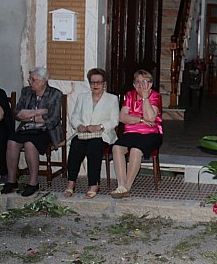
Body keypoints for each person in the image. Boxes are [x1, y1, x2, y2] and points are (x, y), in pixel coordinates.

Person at [2, 67, 62, 196]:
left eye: (33, 80)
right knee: (12, 142)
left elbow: (53, 119)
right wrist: (38, 113)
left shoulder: (55, 94)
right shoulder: (26, 92)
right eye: (30, 79)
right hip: (26, 128)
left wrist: (29, 116)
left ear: (43, 81)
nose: (30, 82)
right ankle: (11, 180)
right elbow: (17, 113)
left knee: (30, 144)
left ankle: (33, 183)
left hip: (48, 131)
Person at [64, 68, 119, 199]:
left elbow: (114, 121)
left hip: (102, 134)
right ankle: (71, 182)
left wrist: (99, 126)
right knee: (76, 145)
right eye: (93, 82)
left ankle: (94, 184)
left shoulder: (112, 99)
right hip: (84, 134)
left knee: (94, 146)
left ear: (104, 84)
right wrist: (79, 125)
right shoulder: (82, 98)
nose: (95, 85)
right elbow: (75, 116)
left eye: (99, 82)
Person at [111, 69, 162, 198]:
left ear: (150, 84)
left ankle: (126, 187)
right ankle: (121, 185)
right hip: (131, 132)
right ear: (134, 84)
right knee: (117, 148)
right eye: (138, 82)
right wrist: (140, 120)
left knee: (135, 150)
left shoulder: (155, 96)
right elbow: (122, 117)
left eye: (144, 81)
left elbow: (150, 118)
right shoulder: (130, 95)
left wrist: (145, 98)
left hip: (151, 133)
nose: (141, 85)